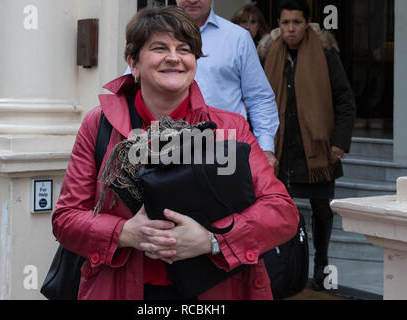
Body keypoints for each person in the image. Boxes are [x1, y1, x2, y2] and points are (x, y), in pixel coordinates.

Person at [52, 6, 299, 300]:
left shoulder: (229, 128)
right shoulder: (99, 125)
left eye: (184, 49)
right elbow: (66, 218)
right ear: (133, 63)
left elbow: (281, 212)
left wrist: (213, 240)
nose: (174, 57)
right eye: (159, 48)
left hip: (215, 292)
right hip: (123, 289)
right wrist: (125, 232)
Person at [258, 0, 356, 291]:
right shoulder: (268, 54)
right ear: (279, 24)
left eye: (296, 22)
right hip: (281, 146)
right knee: (276, 209)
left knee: (322, 210)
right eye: (285, 23)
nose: (290, 29)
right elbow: (259, 99)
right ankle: (285, 267)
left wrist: (339, 141)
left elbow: (344, 100)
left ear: (307, 23)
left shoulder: (325, 53)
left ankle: (321, 265)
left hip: (317, 146)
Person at [176, 0, 279, 168]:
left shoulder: (237, 38)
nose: (193, 0)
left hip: (226, 150)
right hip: (169, 149)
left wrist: (265, 148)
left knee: (228, 194)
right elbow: (134, 88)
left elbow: (259, 98)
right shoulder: (154, 36)